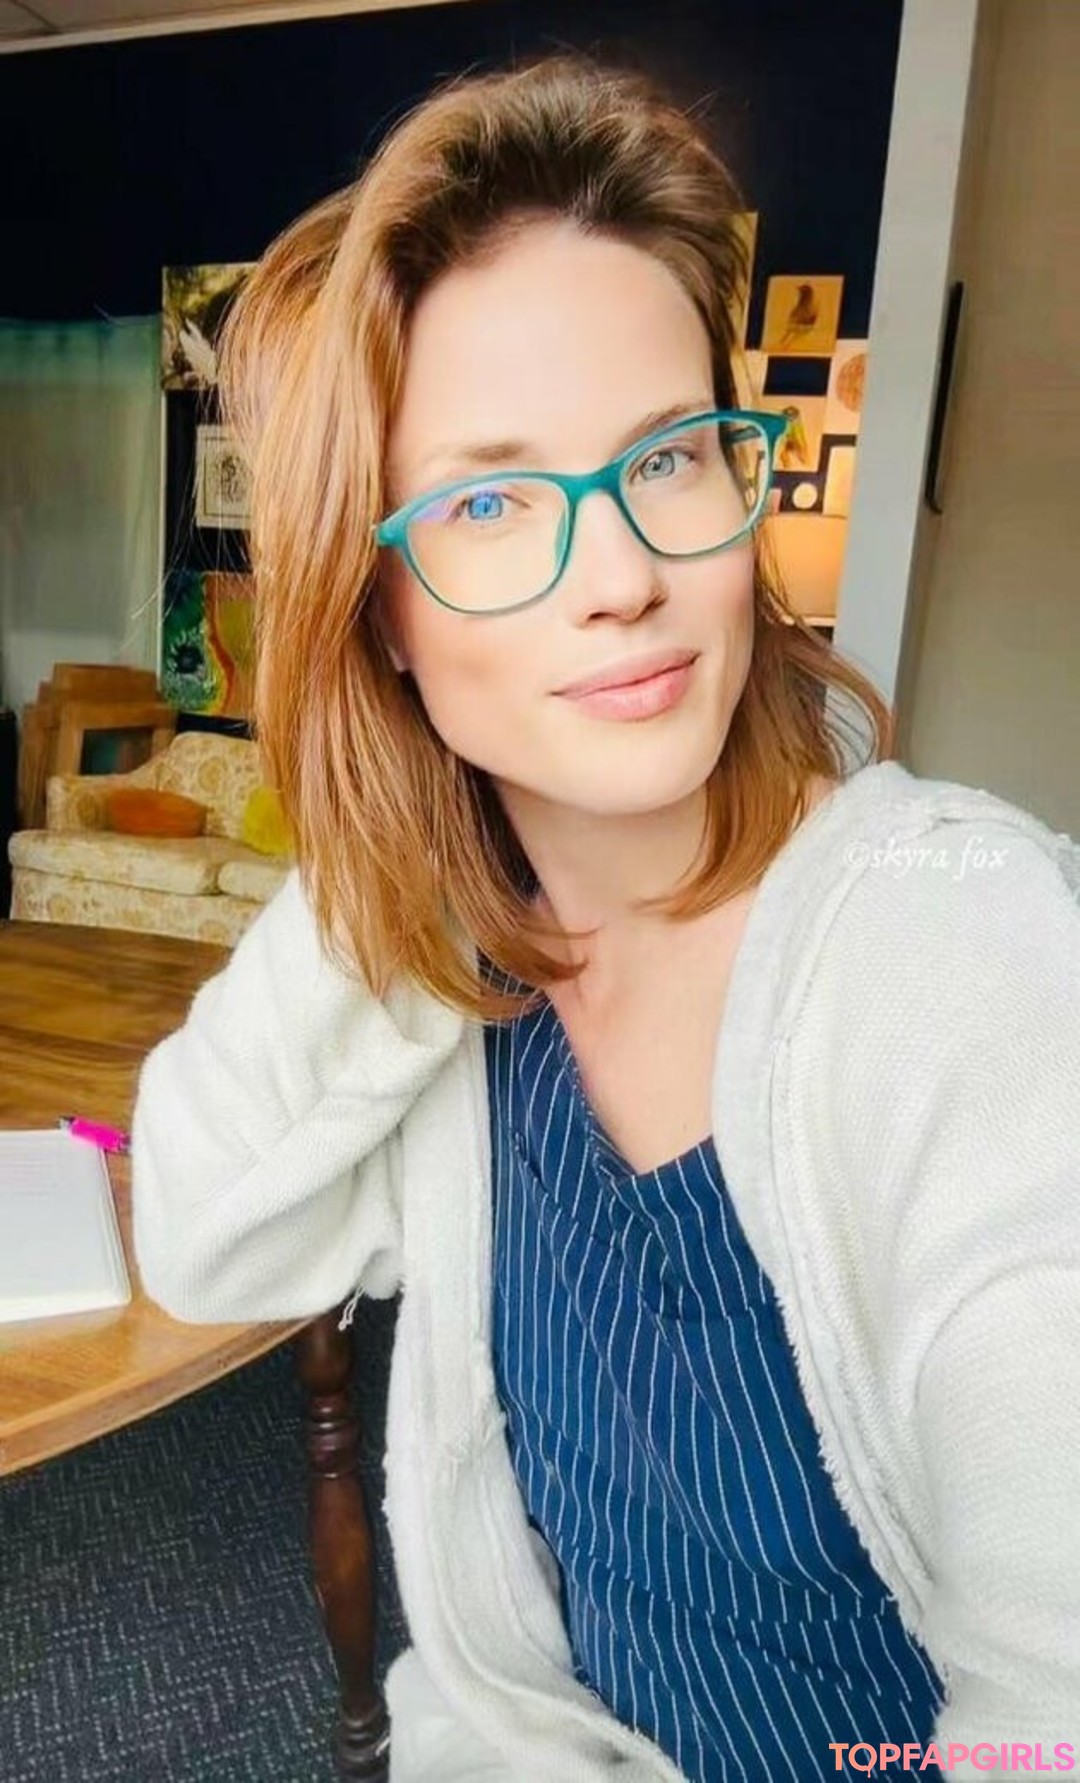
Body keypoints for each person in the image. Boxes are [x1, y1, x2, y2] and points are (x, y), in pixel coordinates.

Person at [132, 53, 1080, 1783]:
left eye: (670, 457)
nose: (625, 574)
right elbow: (204, 1233)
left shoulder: (962, 956)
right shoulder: (465, 986)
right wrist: (409, 853)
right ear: (379, 611)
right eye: (489, 502)